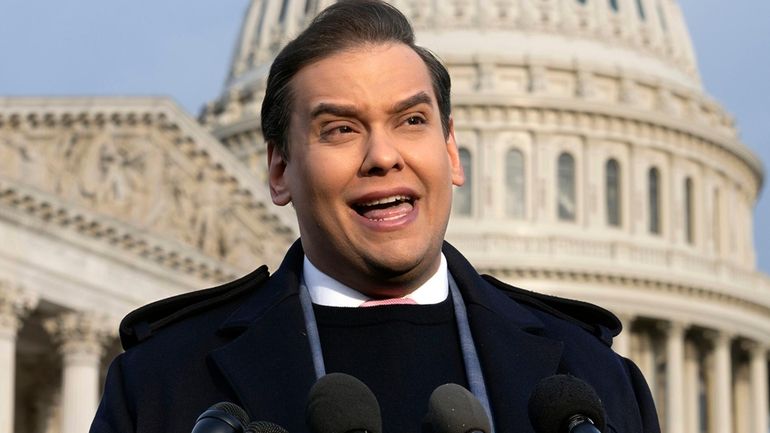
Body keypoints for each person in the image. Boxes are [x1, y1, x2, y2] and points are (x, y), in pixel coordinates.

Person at [91, 1, 661, 433]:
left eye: (411, 120)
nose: (384, 156)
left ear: (452, 151)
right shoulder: (162, 385)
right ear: (280, 169)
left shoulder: (596, 385)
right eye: (340, 129)